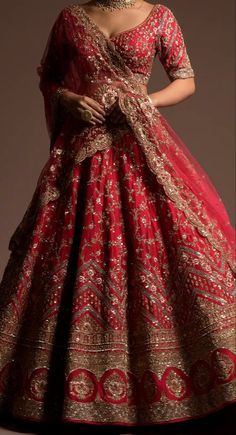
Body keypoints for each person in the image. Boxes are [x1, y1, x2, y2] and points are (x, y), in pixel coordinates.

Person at [0, 0, 235, 431]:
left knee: (172, 250)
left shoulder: (160, 16)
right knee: (64, 255)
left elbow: (186, 80)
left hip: (138, 143)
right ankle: (63, 390)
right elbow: (49, 77)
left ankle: (187, 384)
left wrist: (144, 102)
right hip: (82, 152)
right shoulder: (71, 18)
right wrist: (68, 98)